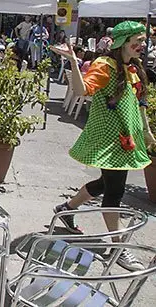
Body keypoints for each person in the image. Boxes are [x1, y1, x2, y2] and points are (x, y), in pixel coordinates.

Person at [51, 21, 155, 272]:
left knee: (106, 183)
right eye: (138, 40)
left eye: (143, 41)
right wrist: (74, 63)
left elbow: (140, 102)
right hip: (108, 139)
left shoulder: (135, 68)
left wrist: (147, 131)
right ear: (122, 41)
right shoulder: (104, 65)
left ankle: (66, 208)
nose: (142, 45)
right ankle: (119, 248)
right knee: (115, 191)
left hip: (127, 138)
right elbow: (81, 89)